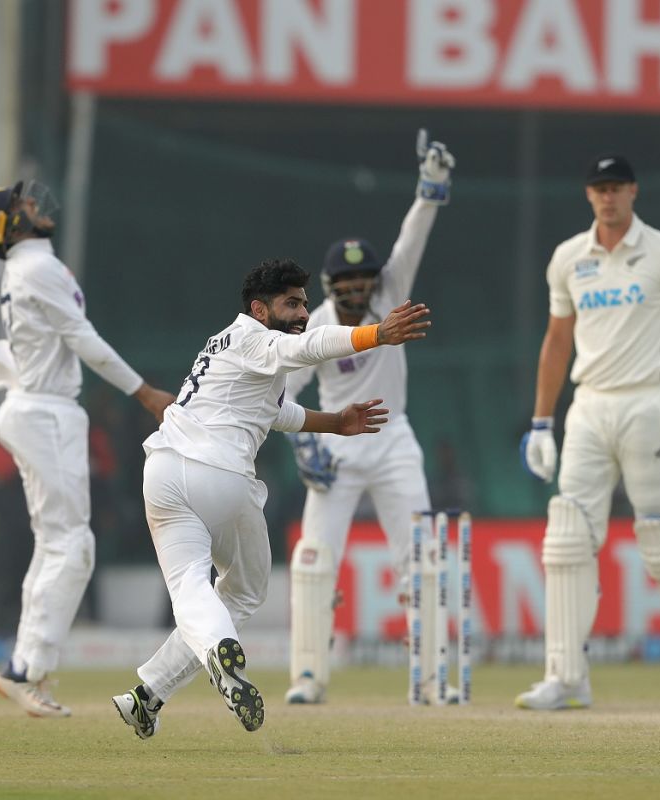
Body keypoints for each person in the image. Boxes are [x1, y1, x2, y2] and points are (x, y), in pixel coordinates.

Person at [111, 258, 431, 739]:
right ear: (260, 309)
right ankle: (219, 645)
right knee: (235, 593)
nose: (304, 312)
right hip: (219, 476)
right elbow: (314, 346)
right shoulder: (260, 340)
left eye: (304, 302)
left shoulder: (226, 344)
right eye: (292, 303)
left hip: (162, 472)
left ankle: (147, 696)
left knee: (204, 588)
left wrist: (336, 422)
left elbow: (275, 411)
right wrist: (375, 335)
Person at [517, 155, 660, 710]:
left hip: (649, 403)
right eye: (598, 189)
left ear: (634, 192)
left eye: (615, 187)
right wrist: (541, 422)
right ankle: (567, 677)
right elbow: (556, 341)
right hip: (588, 407)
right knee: (566, 537)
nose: (607, 197)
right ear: (589, 195)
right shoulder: (569, 257)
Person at [0, 179, 175, 717]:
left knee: (54, 544)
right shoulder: (37, 267)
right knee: (72, 546)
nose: (33, 204)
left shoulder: (27, 267)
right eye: (22, 205)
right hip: (46, 410)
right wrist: (145, 391)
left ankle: (25, 667)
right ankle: (26, 669)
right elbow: (83, 340)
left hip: (36, 407)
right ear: (10, 226)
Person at [281, 130, 455, 705]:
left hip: (395, 441)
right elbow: (282, 389)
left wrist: (430, 191)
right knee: (313, 562)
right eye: (349, 285)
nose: (360, 291)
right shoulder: (318, 325)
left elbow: (411, 242)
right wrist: (303, 445)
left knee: (423, 561)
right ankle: (308, 675)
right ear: (331, 288)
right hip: (338, 447)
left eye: (366, 281)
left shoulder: (391, 293)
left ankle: (430, 678)